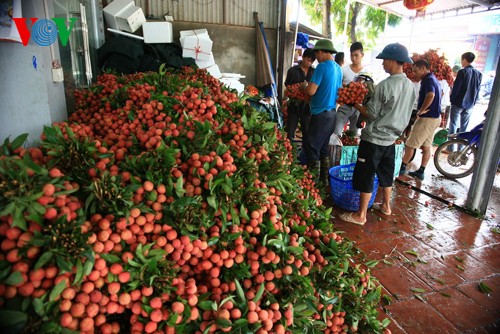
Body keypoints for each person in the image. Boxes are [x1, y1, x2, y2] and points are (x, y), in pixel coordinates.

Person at [339, 43, 416, 225]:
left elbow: (371, 114)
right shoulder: (410, 86)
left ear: (392, 60)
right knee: (386, 173)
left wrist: (354, 103)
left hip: (374, 138)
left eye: (384, 61)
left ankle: (361, 215)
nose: (382, 64)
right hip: (392, 139)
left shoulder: (385, 86)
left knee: (366, 174)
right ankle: (386, 206)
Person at [302, 39, 343, 185]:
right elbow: (339, 94)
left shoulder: (322, 67)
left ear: (321, 52)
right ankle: (324, 180)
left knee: (312, 146)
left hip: (320, 114)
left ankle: (312, 182)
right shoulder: (338, 68)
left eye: (316, 53)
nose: (316, 58)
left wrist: (305, 87)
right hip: (332, 113)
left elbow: (311, 91)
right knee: (324, 147)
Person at [399, 59, 442, 180]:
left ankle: (402, 168)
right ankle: (421, 171)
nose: (414, 74)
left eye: (416, 70)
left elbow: (431, 95)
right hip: (435, 118)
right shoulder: (434, 79)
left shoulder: (427, 80)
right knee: (426, 146)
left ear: (423, 68)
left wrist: (421, 110)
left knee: (410, 144)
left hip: (427, 119)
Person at [333, 42, 370, 136]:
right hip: (344, 106)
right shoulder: (343, 70)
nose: (353, 58)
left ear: (362, 55)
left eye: (356, 55)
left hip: (359, 108)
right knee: (336, 132)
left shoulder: (367, 73)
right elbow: (337, 88)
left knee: (354, 134)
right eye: (352, 55)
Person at [284, 48, 315, 142]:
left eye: (311, 61)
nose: (309, 63)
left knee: (307, 132)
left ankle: (305, 153)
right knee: (290, 131)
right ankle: (290, 151)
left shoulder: (314, 72)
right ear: (303, 57)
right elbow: (287, 86)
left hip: (308, 106)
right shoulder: (292, 71)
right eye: (308, 60)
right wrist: (294, 90)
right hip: (294, 105)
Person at [448, 52, 482, 137]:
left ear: (464, 60)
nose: (461, 62)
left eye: (461, 60)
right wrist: (474, 102)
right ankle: (461, 147)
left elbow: (456, 88)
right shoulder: (479, 74)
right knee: (464, 127)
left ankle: (450, 147)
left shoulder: (462, 72)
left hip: (458, 103)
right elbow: (478, 89)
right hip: (470, 104)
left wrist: (452, 99)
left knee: (453, 124)